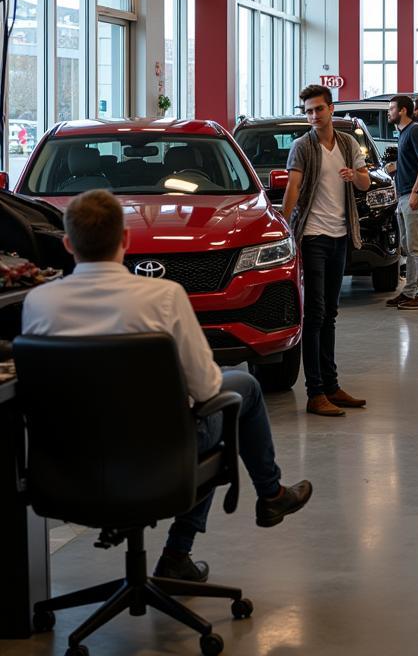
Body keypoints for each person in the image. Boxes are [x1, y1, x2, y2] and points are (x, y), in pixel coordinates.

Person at [21, 190, 312, 582]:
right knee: (239, 393)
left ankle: (245, 513)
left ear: (68, 243)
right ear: (125, 240)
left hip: (67, 466)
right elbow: (209, 390)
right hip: (159, 459)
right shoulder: (164, 296)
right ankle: (246, 510)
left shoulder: (38, 303)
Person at [283, 84, 370, 417]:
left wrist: (353, 176)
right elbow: (293, 186)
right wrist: (286, 228)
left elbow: (364, 182)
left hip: (339, 236)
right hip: (314, 237)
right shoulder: (301, 147)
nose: (313, 116)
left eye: (318, 109)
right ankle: (315, 392)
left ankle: (332, 386)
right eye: (308, 111)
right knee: (315, 314)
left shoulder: (348, 144)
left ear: (331, 109)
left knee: (330, 313)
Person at [388, 94, 418, 310]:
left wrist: (415, 191)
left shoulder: (415, 131)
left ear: (403, 110)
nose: (389, 112)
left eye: (392, 109)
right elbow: (412, 164)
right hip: (406, 196)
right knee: (408, 247)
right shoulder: (404, 133)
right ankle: (409, 291)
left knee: (417, 247)